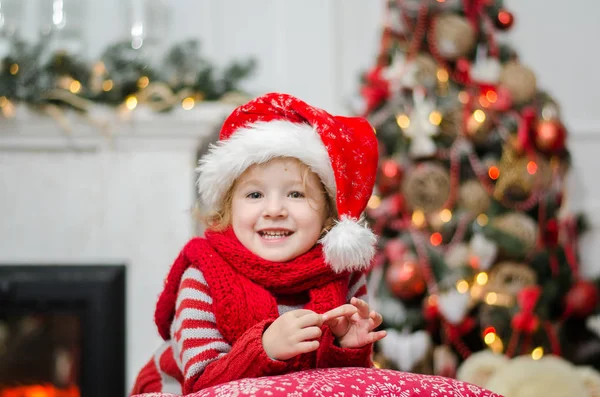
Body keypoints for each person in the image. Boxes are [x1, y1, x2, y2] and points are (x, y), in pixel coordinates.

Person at [130, 92, 387, 395]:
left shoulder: (342, 272)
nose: (274, 209)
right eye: (255, 195)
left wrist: (349, 348)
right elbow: (200, 384)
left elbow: (330, 386)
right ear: (228, 208)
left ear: (328, 213)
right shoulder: (203, 275)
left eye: (296, 194)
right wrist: (264, 348)